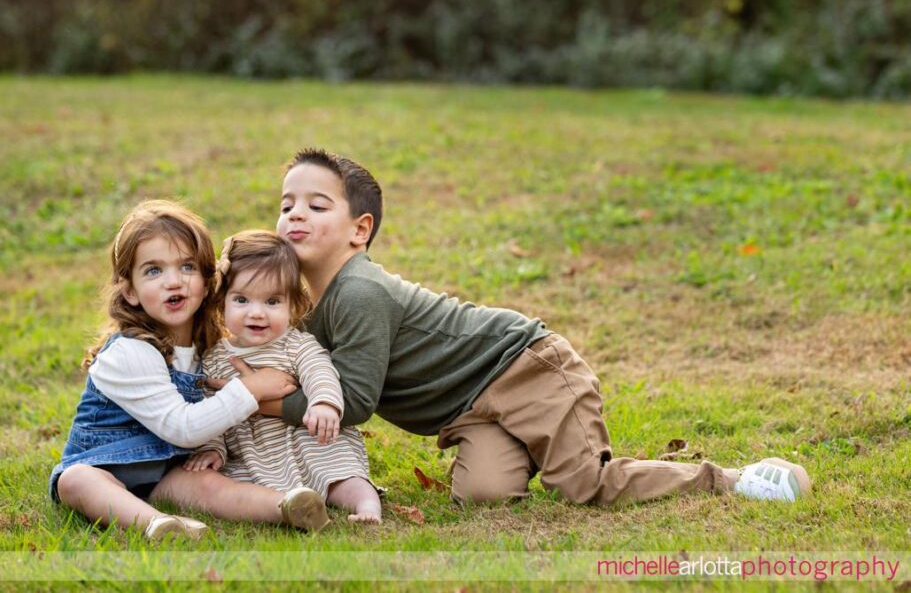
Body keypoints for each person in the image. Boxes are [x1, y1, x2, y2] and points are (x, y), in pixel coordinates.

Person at [236, 148, 812, 506]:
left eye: (316, 205)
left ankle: (736, 480)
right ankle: (530, 444)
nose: (294, 215)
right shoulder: (299, 300)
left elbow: (354, 401)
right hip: (468, 408)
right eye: (286, 204)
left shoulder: (360, 290)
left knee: (585, 485)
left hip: (524, 367)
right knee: (483, 497)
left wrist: (255, 403)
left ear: (359, 231)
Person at [49, 200, 330, 540]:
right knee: (74, 480)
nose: (173, 282)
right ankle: (156, 524)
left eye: (186, 267)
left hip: (167, 472)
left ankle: (288, 507)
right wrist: (252, 389)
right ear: (130, 291)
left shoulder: (208, 348)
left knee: (207, 484)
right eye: (154, 270)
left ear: (208, 279)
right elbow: (182, 427)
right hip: (104, 468)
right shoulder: (129, 352)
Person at [183, 230, 382, 525]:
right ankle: (291, 507)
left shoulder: (296, 344)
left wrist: (324, 404)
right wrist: (214, 447)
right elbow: (212, 407)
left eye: (272, 301)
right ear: (221, 302)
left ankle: (366, 504)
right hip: (253, 450)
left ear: (293, 304)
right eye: (242, 300)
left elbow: (320, 371)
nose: (257, 313)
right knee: (239, 484)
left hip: (307, 438)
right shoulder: (213, 358)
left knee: (338, 471)